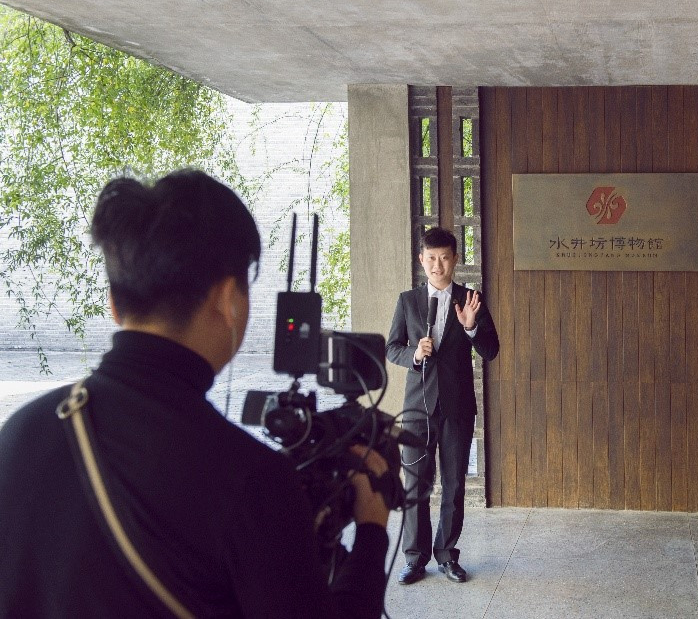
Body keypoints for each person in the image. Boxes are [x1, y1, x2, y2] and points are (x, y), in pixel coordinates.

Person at [0, 170, 390, 617]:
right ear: (227, 299)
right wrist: (372, 531)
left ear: (114, 303)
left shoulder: (20, 433)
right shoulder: (251, 479)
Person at [385, 227, 499, 585]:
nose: (438, 265)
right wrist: (415, 354)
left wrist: (470, 328)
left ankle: (447, 555)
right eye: (431, 258)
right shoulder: (408, 301)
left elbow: (491, 350)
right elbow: (392, 348)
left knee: (453, 485)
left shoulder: (471, 299)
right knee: (415, 485)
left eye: (445, 258)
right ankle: (414, 559)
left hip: (457, 407)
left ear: (455, 259)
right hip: (417, 408)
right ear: (422, 260)